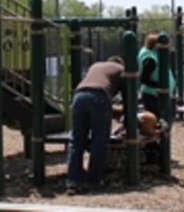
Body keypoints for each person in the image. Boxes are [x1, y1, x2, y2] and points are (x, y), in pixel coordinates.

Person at [66, 56, 125, 194]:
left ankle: (72, 181)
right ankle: (94, 181)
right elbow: (127, 98)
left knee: (76, 140)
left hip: (78, 96)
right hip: (99, 97)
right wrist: (125, 119)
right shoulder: (122, 70)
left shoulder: (96, 65)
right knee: (99, 140)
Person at [138, 34, 176, 119]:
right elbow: (144, 78)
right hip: (154, 95)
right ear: (156, 45)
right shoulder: (150, 59)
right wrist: (160, 85)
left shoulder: (153, 55)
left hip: (157, 94)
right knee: (160, 119)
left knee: (167, 117)